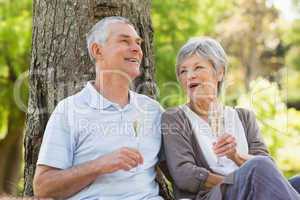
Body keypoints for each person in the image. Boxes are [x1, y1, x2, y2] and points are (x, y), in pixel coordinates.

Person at [33, 16, 164, 200]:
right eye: (124, 41)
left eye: (137, 43)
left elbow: (184, 166)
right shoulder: (69, 110)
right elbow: (44, 187)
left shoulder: (153, 110)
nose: (136, 49)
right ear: (97, 50)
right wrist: (100, 165)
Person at [161, 37, 300, 200]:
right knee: (258, 167)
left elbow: (269, 166)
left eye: (197, 67)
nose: (189, 76)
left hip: (249, 191)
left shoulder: (244, 117)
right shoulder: (175, 118)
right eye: (183, 71)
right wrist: (241, 182)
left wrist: (235, 156)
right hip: (208, 197)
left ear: (219, 72)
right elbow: (185, 175)